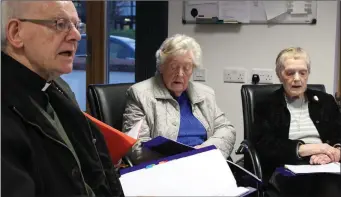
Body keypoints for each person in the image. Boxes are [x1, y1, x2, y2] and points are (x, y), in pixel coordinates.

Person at [1, 1, 124, 196]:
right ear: (16, 33)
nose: (76, 36)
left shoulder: (57, 86)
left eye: (77, 25)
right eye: (60, 23)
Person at [122, 34, 236, 164]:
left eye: (187, 67)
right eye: (174, 66)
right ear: (161, 67)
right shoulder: (140, 94)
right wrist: (180, 160)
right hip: (165, 169)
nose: (180, 74)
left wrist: (204, 151)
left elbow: (227, 129)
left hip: (204, 163)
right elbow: (135, 146)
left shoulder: (205, 94)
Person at [254, 47, 341, 196]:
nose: (297, 78)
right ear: (279, 75)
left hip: (327, 165)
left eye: (302, 72)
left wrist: (335, 153)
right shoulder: (267, 105)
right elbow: (265, 145)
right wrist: (313, 148)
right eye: (290, 73)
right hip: (287, 168)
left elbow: (338, 134)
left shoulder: (325, 101)